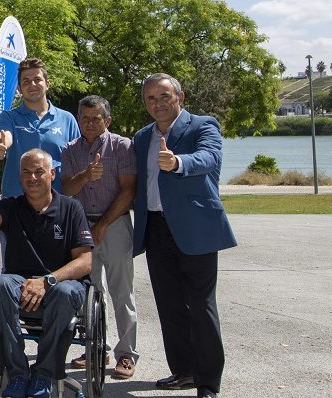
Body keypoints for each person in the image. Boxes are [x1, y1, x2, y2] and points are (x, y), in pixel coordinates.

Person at [133, 73, 236, 398]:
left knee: (201, 306)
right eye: (150, 98)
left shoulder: (203, 126)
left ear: (181, 96)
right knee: (169, 305)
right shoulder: (141, 137)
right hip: (155, 229)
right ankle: (183, 371)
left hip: (195, 229)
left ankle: (207, 383)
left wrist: (178, 161)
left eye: (164, 96)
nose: (158, 103)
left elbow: (210, 157)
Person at [0, 149, 93, 398]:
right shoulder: (12, 206)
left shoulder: (72, 208)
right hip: (21, 282)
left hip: (60, 282)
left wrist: (47, 281)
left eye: (39, 172)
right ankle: (18, 374)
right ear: (19, 177)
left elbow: (86, 259)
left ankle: (43, 373)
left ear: (52, 174)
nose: (33, 177)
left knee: (65, 291)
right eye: (26, 172)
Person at [60, 95, 138, 379]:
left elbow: (128, 191)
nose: (90, 123)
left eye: (96, 118)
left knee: (122, 292)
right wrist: (86, 175)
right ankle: (96, 348)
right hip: (81, 228)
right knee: (89, 293)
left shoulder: (123, 147)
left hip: (114, 224)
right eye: (85, 118)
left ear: (108, 120)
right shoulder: (69, 149)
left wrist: (104, 224)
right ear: (78, 119)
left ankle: (126, 354)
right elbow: (67, 189)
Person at [0, 57, 81, 196]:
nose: (32, 84)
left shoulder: (67, 119)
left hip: (55, 203)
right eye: (26, 81)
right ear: (19, 89)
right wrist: (2, 145)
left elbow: (78, 159)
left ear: (47, 84)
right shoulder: (9, 117)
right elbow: (5, 136)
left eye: (37, 79)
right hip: (16, 202)